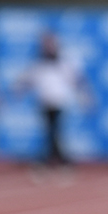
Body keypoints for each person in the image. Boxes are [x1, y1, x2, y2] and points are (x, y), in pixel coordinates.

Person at [19, 32, 86, 167]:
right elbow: (27, 80)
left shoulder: (64, 62)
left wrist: (84, 97)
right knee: (49, 132)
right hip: (44, 103)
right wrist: (18, 91)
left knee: (55, 132)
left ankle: (56, 158)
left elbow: (76, 81)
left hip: (59, 102)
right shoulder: (38, 63)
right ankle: (56, 158)